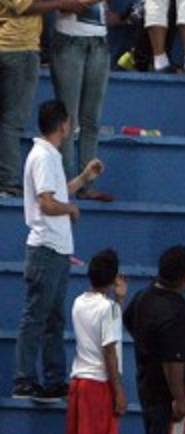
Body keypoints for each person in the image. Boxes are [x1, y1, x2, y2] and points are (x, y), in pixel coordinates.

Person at [12, 100, 104, 401]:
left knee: (52, 319)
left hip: (55, 250)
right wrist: (71, 209)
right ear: (63, 125)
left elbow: (56, 192)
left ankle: (53, 379)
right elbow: (48, 203)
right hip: (46, 249)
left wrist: (84, 178)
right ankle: (24, 379)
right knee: (36, 317)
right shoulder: (44, 156)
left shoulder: (47, 156)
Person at [0, 0, 67, 196]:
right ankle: (7, 182)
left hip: (11, 45)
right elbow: (23, 6)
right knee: (12, 120)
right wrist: (63, 2)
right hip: (18, 47)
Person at [123, 246, 185, 434]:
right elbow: (173, 360)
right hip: (172, 405)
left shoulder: (143, 297)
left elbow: (129, 320)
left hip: (152, 393)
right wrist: (179, 398)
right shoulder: (173, 314)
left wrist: (150, 347)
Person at [51, 0, 116, 196]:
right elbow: (65, 4)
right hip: (70, 43)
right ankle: (65, 182)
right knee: (69, 117)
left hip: (98, 43)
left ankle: (88, 184)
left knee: (92, 118)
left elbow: (102, 15)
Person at [67, 248, 127, 434]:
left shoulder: (78, 302)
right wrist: (118, 391)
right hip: (98, 385)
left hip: (79, 382)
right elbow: (109, 351)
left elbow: (107, 323)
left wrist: (118, 300)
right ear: (114, 277)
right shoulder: (109, 308)